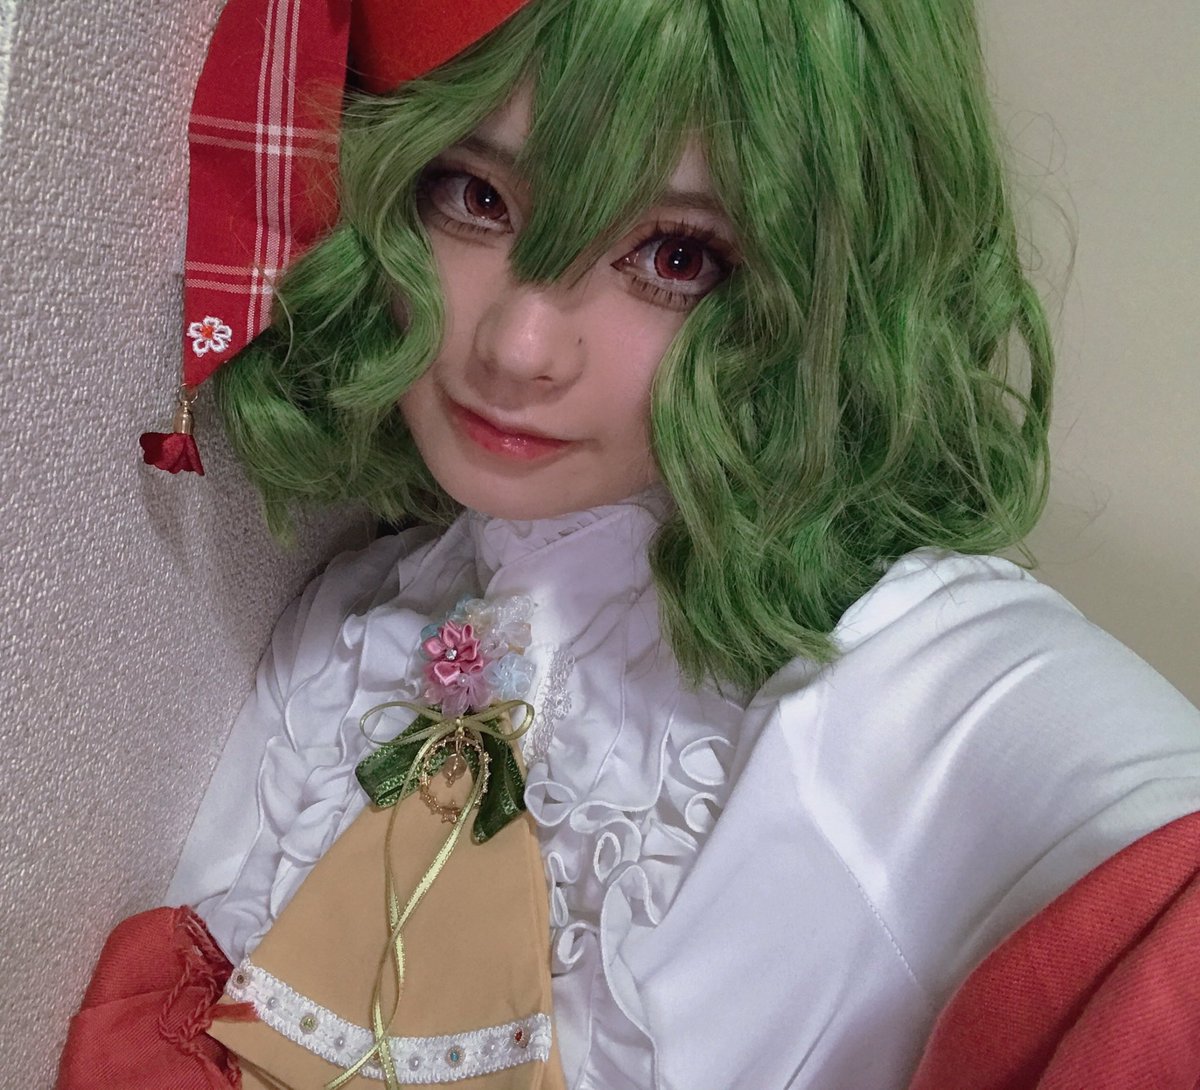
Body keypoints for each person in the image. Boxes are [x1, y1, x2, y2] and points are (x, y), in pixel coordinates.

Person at [59, 0, 1200, 1087]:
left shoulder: (903, 673)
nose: (519, 344)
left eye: (675, 257)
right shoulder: (345, 634)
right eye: (476, 196)